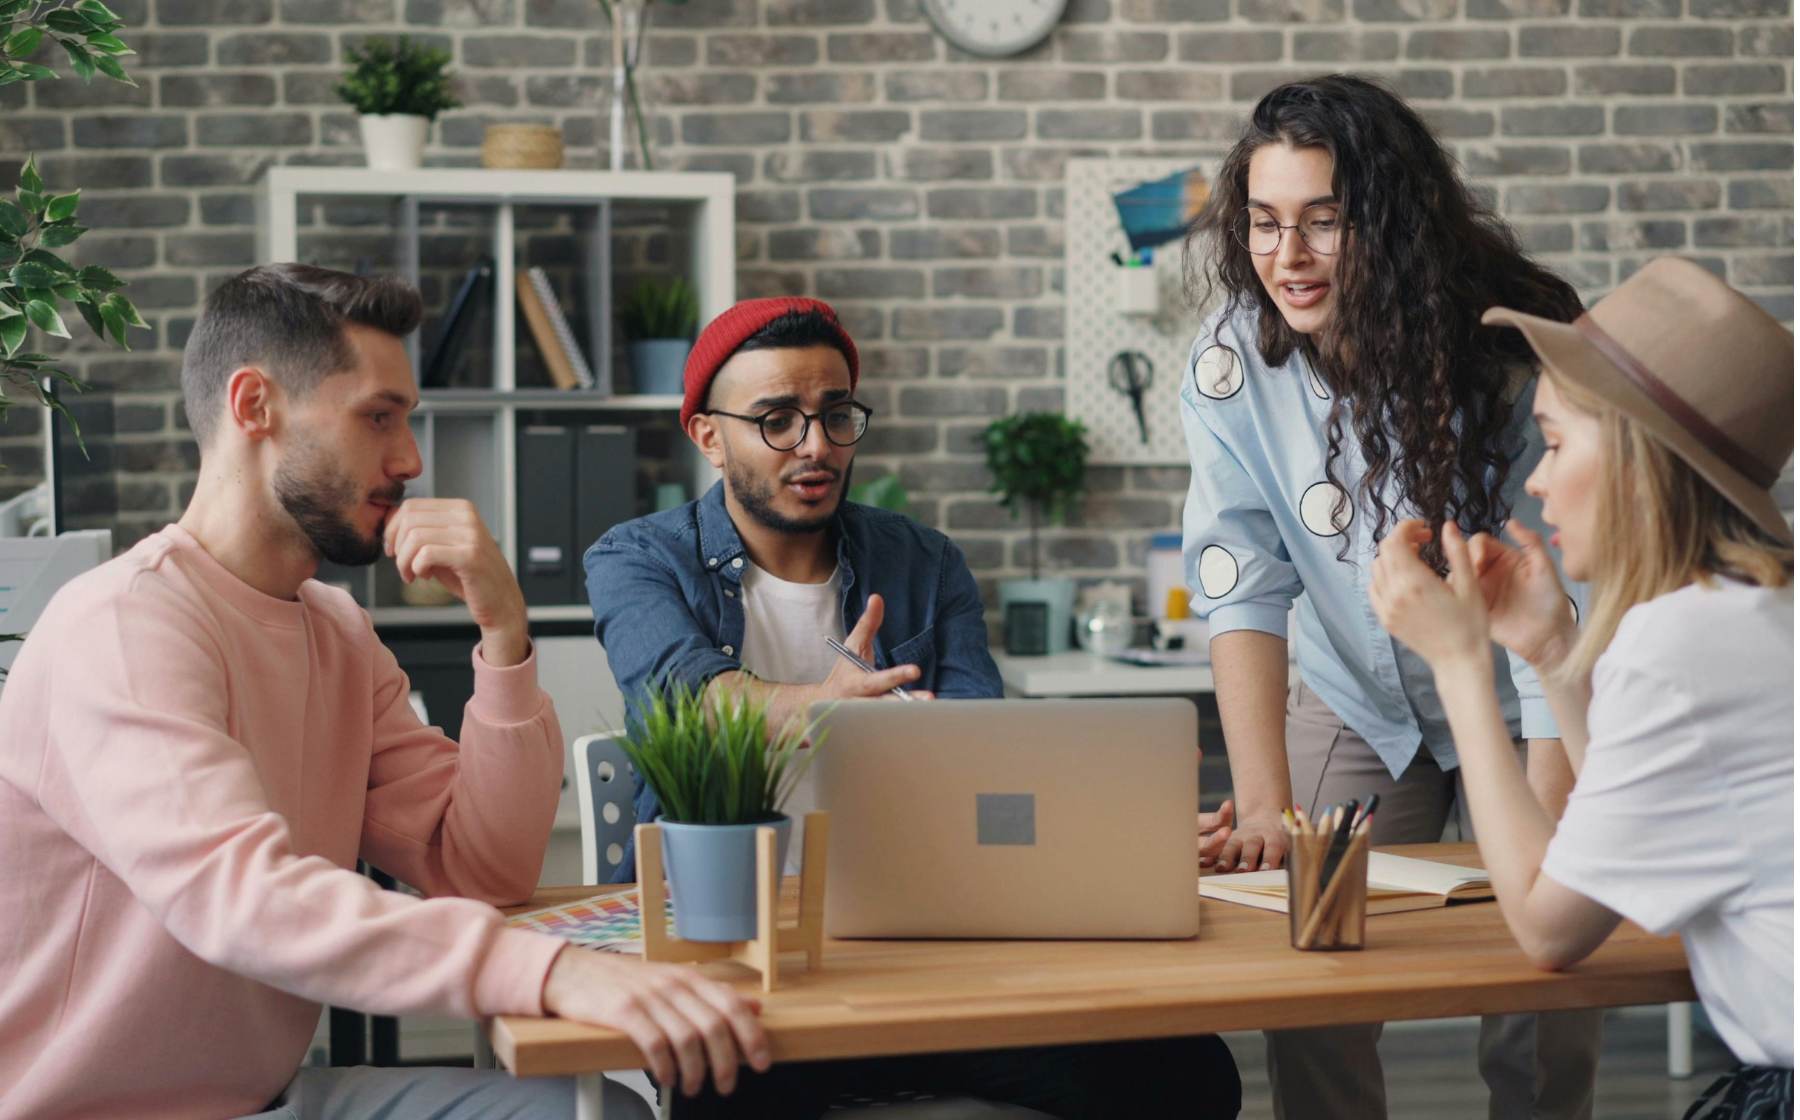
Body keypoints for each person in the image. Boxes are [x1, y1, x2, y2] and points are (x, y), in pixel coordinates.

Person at [0, 264, 769, 1120]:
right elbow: (243, 899)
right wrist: (554, 969)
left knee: (598, 1114)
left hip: (267, 1098)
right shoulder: (123, 624)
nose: (409, 459)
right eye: (378, 418)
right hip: (93, 1112)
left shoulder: (335, 631)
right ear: (254, 406)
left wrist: (506, 635)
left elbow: (483, 868)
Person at [586, 296, 1241, 1119]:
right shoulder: (636, 559)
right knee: (734, 1079)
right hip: (730, 958)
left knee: (1193, 1073)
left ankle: (885, 1062)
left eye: (835, 415)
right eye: (777, 420)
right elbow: (684, 701)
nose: (817, 445)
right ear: (708, 436)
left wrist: (1117, 841)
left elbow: (989, 772)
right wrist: (826, 709)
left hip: (917, 951)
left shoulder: (926, 563)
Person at [1178, 75, 1601, 1119]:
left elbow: (1555, 593)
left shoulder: (1515, 347)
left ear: (1395, 224)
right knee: (1313, 965)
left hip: (1517, 688)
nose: (1289, 257)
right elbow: (1238, 575)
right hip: (1349, 695)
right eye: (1266, 224)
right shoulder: (1234, 358)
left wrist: (1550, 796)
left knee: (1543, 977)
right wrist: (1267, 796)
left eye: (1325, 223)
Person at [1368, 257, 1793, 1119]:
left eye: (1556, 442)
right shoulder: (1749, 615)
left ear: (1638, 462)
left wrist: (1457, 665)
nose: (1533, 477)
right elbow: (1632, 828)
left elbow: (1551, 926)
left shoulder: (1677, 644)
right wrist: (1549, 647)